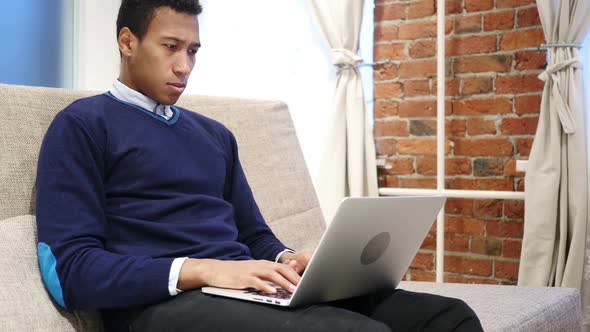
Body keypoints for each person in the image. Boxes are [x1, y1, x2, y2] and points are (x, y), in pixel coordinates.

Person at [35, 1, 484, 331]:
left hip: (246, 292)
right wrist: (203, 269)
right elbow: (70, 271)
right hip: (161, 306)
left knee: (448, 318)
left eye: (193, 50)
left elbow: (253, 235)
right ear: (127, 42)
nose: (184, 66)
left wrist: (288, 260)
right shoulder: (82, 125)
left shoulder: (214, 135)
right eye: (170, 47)